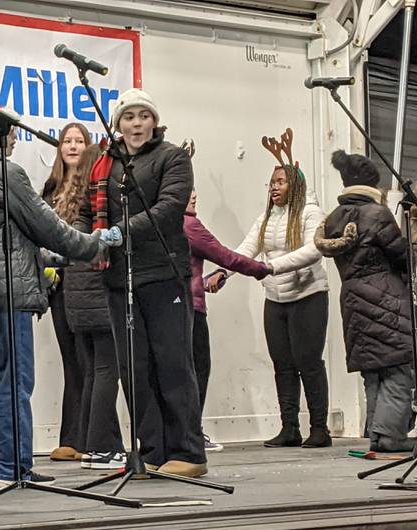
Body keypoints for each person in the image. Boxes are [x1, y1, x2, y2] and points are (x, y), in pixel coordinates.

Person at [0, 102, 120, 488]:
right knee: (15, 382)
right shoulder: (6, 174)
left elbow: (8, 238)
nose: (18, 141)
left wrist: (54, 259)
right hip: (9, 292)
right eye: (14, 135)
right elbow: (47, 226)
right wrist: (94, 245)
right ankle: (14, 469)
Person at [84, 88, 206, 477]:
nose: (136, 124)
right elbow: (90, 214)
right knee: (133, 369)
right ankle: (152, 450)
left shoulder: (172, 157)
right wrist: (81, 243)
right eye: (128, 117)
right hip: (120, 280)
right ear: (118, 123)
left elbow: (169, 209)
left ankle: (188, 452)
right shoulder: (108, 165)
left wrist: (119, 232)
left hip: (163, 275)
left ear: (154, 121)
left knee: (172, 364)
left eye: (143, 116)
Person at [210, 129, 331, 449]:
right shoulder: (265, 218)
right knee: (283, 365)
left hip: (308, 295)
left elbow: (314, 250)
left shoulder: (310, 213)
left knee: (309, 362)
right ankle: (289, 428)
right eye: (271, 183)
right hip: (275, 298)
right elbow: (246, 249)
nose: (274, 187)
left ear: (295, 185)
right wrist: (224, 271)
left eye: (280, 182)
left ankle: (320, 429)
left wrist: (272, 267)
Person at [315, 150, 414, 452]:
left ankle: (377, 436)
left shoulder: (333, 218)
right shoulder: (376, 214)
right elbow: (404, 256)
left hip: (353, 300)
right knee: (398, 368)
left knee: (373, 370)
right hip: (386, 297)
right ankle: (391, 437)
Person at [184, 187, 270, 452]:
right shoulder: (189, 225)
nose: (195, 194)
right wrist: (261, 269)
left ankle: (180, 434)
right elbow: (225, 255)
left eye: (196, 189)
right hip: (192, 309)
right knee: (197, 370)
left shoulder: (161, 222)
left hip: (169, 309)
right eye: (188, 190)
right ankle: (192, 435)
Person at [57, 144, 125, 469]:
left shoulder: (66, 205)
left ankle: (92, 444)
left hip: (75, 301)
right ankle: (101, 448)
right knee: (107, 371)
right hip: (100, 297)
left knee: (90, 374)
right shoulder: (103, 205)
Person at [41, 123, 91, 462]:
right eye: (67, 141)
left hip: (86, 283)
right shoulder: (50, 187)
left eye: (79, 141)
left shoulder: (91, 185)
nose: (72, 146)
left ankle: (90, 435)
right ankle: (71, 437)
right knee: (71, 362)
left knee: (91, 362)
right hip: (57, 285)